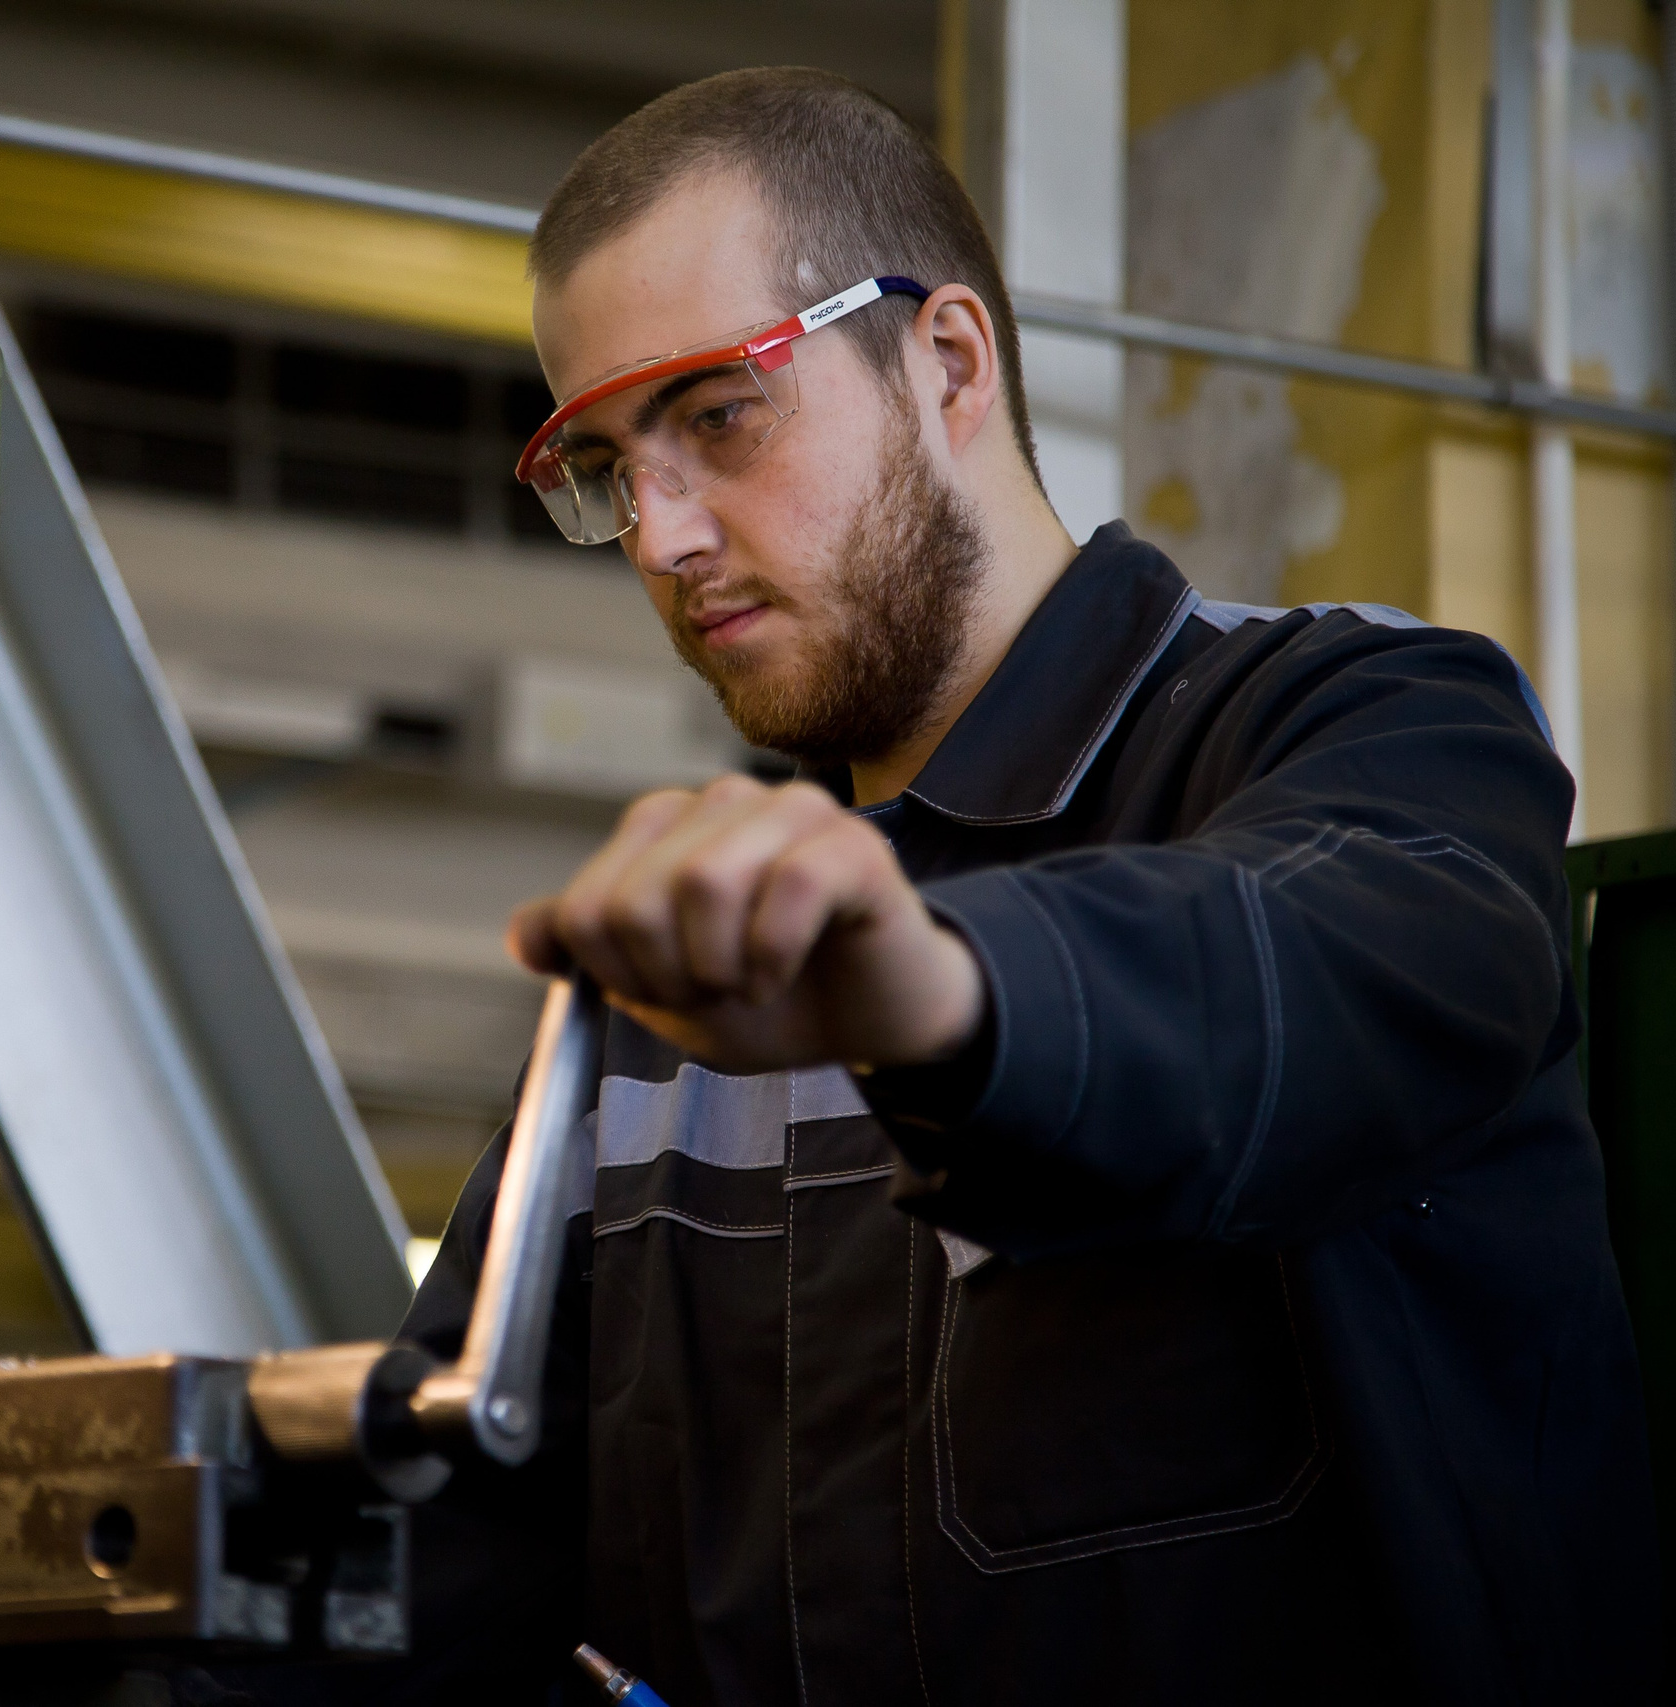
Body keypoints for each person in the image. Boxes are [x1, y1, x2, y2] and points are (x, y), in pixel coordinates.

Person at [390, 65, 1658, 1706]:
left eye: (716, 415)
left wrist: (936, 992)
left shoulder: (1371, 729)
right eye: (606, 468)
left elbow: (1332, 981)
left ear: (948, 361)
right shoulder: (656, 1018)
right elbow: (421, 1550)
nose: (661, 533)